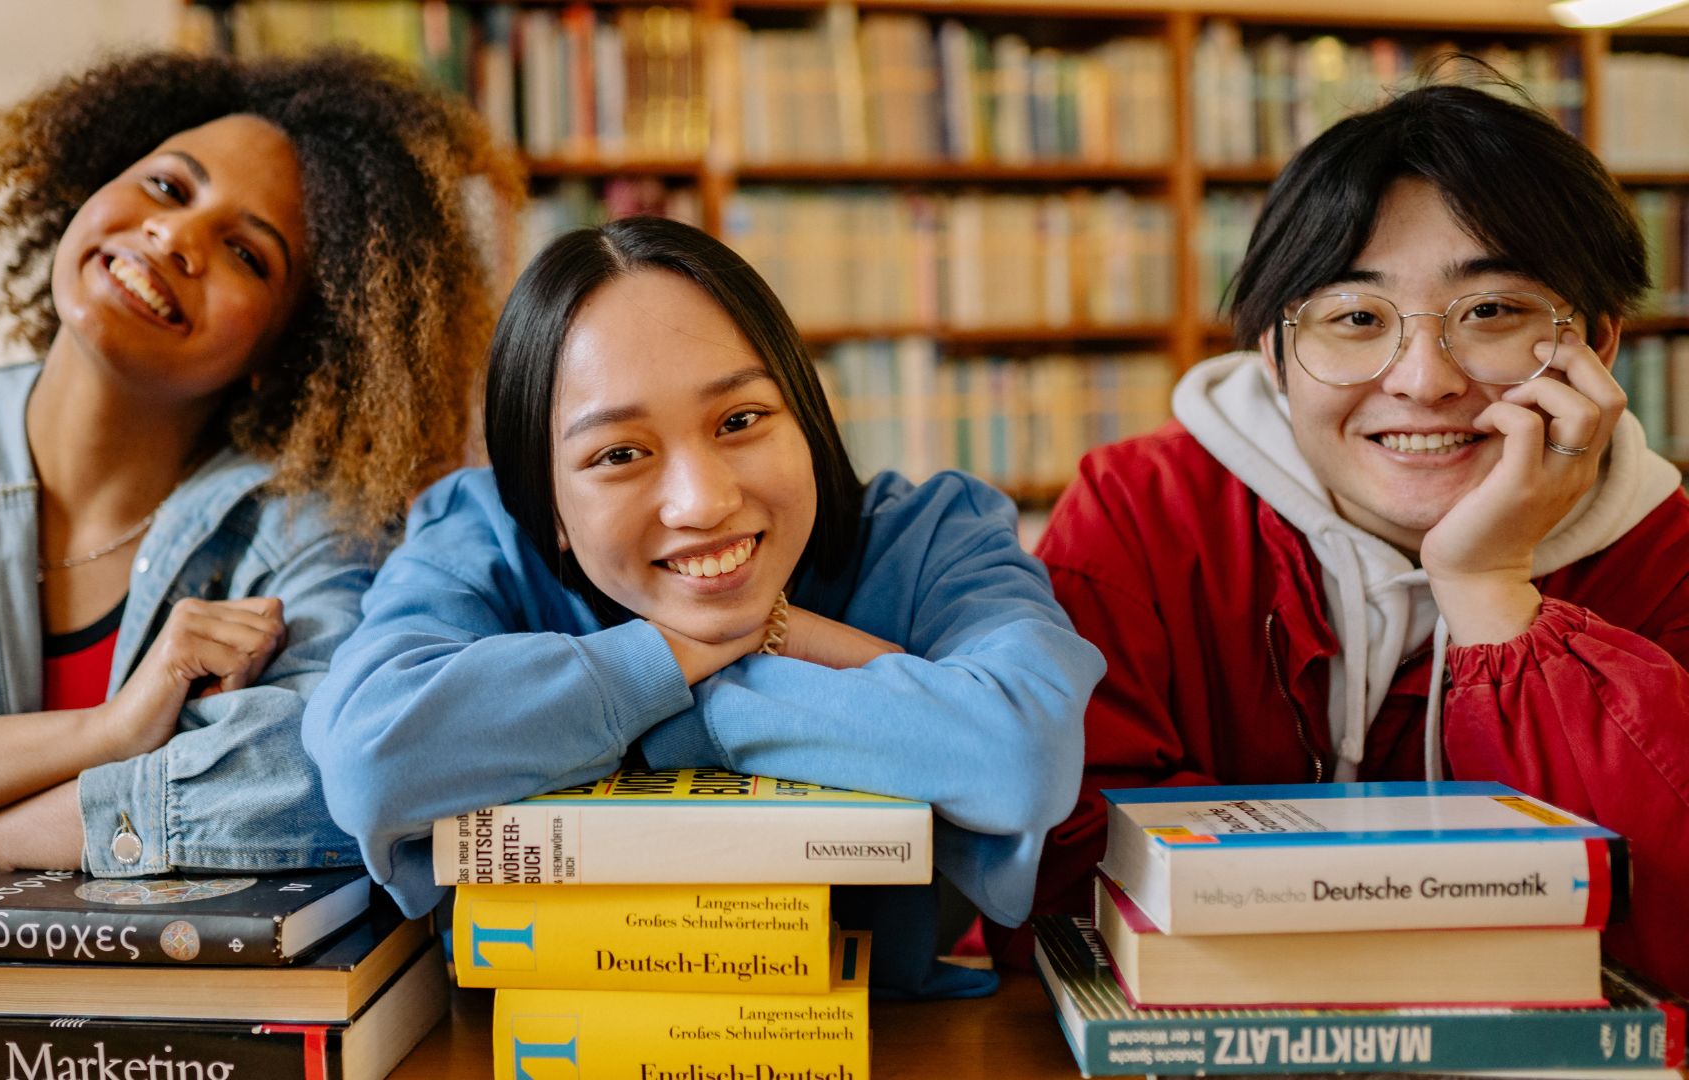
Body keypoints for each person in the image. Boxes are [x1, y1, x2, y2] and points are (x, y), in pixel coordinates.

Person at [0, 49, 519, 1079]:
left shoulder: (305, 526)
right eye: (167, 187)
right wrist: (103, 734)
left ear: (283, 346)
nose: (174, 235)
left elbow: (334, 768)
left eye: (249, 254)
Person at [301, 215, 1103, 998]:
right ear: (544, 504)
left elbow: (1021, 754)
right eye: (619, 454)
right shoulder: (480, 536)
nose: (703, 502)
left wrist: (678, 710)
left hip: (886, 1044)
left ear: (807, 416)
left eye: (741, 420)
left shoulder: (933, 536)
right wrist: (680, 659)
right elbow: (376, 758)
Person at [1016, 80, 1689, 994]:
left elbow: (1670, 925)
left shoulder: (1667, 554)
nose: (1423, 380)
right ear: (1273, 357)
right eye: (1355, 319)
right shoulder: (1143, 509)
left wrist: (1490, 588)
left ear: (1600, 346)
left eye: (1491, 312)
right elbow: (1059, 876)